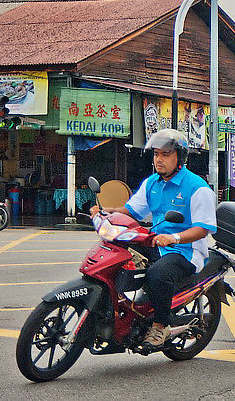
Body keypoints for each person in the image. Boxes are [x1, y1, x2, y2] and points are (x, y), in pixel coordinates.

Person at [90, 129, 217, 348]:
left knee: (158, 273)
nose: (159, 159)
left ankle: (161, 325)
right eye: (156, 154)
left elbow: (203, 229)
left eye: (165, 155)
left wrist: (174, 237)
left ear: (180, 158)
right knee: (114, 254)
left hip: (186, 251)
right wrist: (106, 212)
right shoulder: (152, 183)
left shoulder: (197, 188)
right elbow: (131, 210)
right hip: (157, 242)